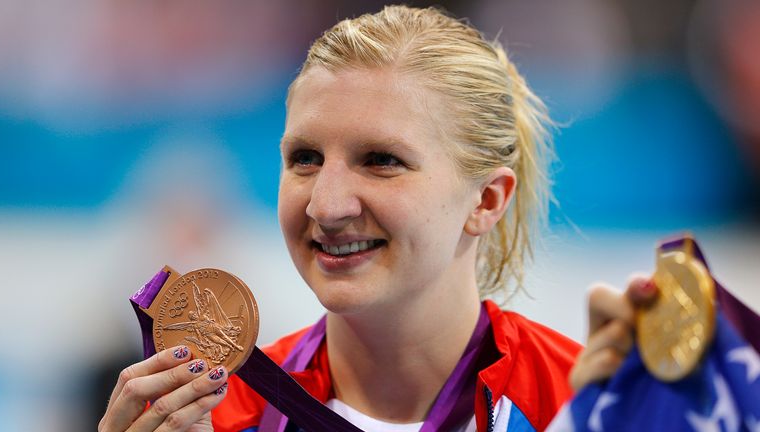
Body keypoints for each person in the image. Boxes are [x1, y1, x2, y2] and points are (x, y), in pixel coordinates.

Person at [98, 5, 656, 432]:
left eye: (381, 161)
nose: (325, 204)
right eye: (305, 159)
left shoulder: (584, 406)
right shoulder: (221, 415)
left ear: (486, 201)